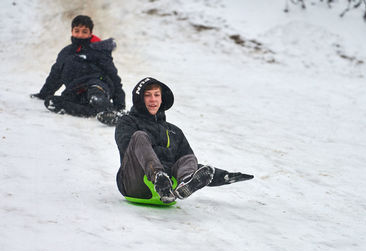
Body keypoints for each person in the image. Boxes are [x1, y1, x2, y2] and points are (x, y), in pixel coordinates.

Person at [115, 77, 253, 204]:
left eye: (156, 95)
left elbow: (188, 162)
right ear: (140, 99)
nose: (153, 99)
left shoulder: (174, 131)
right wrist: (161, 167)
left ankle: (185, 181)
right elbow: (129, 150)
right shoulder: (127, 122)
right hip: (136, 184)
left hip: (169, 191)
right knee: (139, 137)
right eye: (147, 95)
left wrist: (223, 176)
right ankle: (159, 178)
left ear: (162, 99)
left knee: (187, 157)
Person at [31, 15, 126, 120]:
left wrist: (120, 105)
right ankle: (96, 113)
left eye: (84, 32)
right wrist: (43, 94)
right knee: (51, 102)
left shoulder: (99, 51)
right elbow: (55, 75)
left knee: (95, 96)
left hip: (97, 86)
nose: (80, 35)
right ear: (72, 31)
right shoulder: (66, 53)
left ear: (90, 33)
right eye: (77, 31)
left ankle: (113, 114)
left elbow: (114, 77)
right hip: (75, 90)